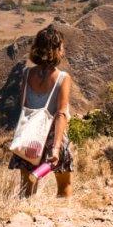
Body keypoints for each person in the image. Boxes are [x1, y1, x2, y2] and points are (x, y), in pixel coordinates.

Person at [9, 24, 73, 197]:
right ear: (55, 50)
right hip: (53, 136)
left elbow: (24, 107)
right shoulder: (63, 78)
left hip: (30, 137)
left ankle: (25, 218)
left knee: (27, 188)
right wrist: (55, 147)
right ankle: (62, 219)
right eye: (61, 47)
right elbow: (61, 113)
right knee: (64, 184)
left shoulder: (28, 74)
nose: (63, 51)